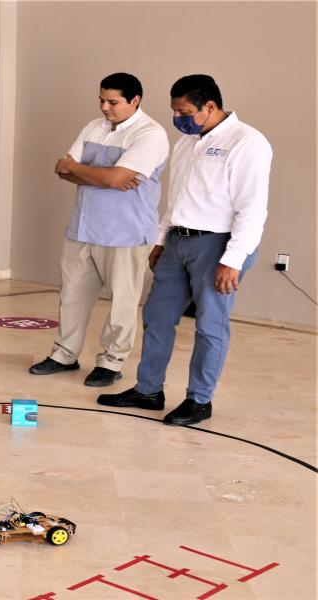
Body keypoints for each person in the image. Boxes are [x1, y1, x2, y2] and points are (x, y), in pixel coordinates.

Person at [97, 74, 272, 425]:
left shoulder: (247, 142)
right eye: (175, 111)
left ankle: (199, 400)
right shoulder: (187, 142)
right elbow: (176, 198)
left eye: (185, 111)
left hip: (218, 244)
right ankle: (148, 391)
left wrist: (232, 261)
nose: (179, 118)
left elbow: (252, 208)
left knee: (209, 325)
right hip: (179, 239)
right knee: (157, 317)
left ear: (210, 106)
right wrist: (162, 240)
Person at [28, 73, 169, 387]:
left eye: (113, 102)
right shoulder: (94, 127)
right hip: (82, 228)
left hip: (126, 234)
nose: (105, 107)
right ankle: (64, 355)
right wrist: (103, 174)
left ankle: (111, 362)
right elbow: (63, 170)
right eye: (102, 100)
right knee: (71, 296)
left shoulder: (150, 134)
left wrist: (84, 171)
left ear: (135, 100)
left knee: (122, 302)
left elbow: (107, 178)